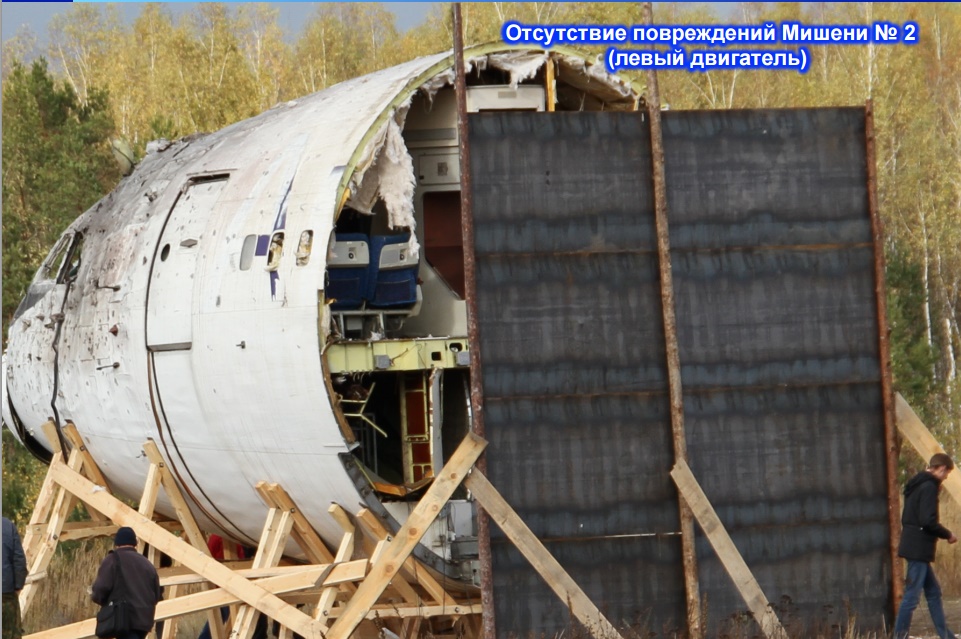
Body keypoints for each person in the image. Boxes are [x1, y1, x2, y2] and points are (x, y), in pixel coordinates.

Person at [894, 453, 959, 639]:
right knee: (911, 597)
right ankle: (899, 636)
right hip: (918, 548)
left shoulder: (916, 484)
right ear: (941, 468)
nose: (946, 477)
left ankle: (946, 636)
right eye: (946, 473)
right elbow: (928, 521)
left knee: (933, 592)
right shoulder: (929, 486)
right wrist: (948, 534)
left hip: (913, 545)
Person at [91, 527, 162, 639]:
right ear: (135, 543)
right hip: (143, 623)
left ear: (117, 543)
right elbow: (157, 595)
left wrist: (100, 600)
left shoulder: (112, 559)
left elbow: (100, 589)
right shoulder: (148, 564)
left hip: (122, 620)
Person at [2, 516, 28, 639]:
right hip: (6, 592)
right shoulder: (7, 525)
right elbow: (19, 560)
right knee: (10, 633)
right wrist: (18, 586)